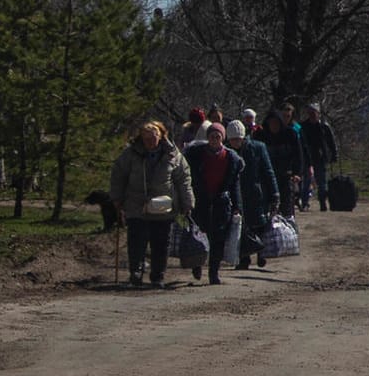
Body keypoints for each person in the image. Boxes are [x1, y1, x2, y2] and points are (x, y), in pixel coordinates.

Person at [107, 120, 193, 289]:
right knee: (136, 242)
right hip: (137, 205)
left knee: (161, 243)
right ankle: (136, 273)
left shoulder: (172, 154)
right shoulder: (130, 154)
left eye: (153, 138)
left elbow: (183, 179)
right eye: (146, 139)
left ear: (161, 136)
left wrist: (187, 202)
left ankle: (157, 276)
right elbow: (118, 175)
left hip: (163, 208)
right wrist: (116, 198)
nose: (150, 142)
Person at [184, 120, 242, 284]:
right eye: (212, 136)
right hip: (200, 201)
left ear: (222, 138)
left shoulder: (231, 159)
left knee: (218, 239)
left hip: (221, 203)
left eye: (218, 136)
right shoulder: (196, 155)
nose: (215, 139)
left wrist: (237, 206)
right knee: (199, 236)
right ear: (207, 137)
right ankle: (197, 264)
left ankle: (213, 273)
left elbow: (234, 185)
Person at [225, 119, 279, 270]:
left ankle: (261, 251)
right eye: (232, 139)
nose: (235, 142)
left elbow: (268, 171)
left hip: (256, 192)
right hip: (236, 194)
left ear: (243, 137)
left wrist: (275, 193)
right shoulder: (227, 152)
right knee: (240, 226)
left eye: (237, 139)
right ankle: (244, 258)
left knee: (259, 225)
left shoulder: (258, 147)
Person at [259, 109, 307, 214]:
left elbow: (298, 156)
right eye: (271, 123)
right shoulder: (261, 136)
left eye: (276, 123)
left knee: (287, 208)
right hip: (268, 177)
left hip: (286, 175)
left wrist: (297, 173)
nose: (274, 126)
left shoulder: (290, 134)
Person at [301, 104, 339, 210]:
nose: (312, 115)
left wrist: (334, 154)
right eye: (310, 113)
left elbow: (331, 142)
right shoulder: (303, 126)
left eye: (314, 113)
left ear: (318, 114)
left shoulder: (324, 126)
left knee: (322, 182)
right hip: (307, 157)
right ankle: (304, 203)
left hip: (320, 157)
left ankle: (322, 203)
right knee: (306, 181)